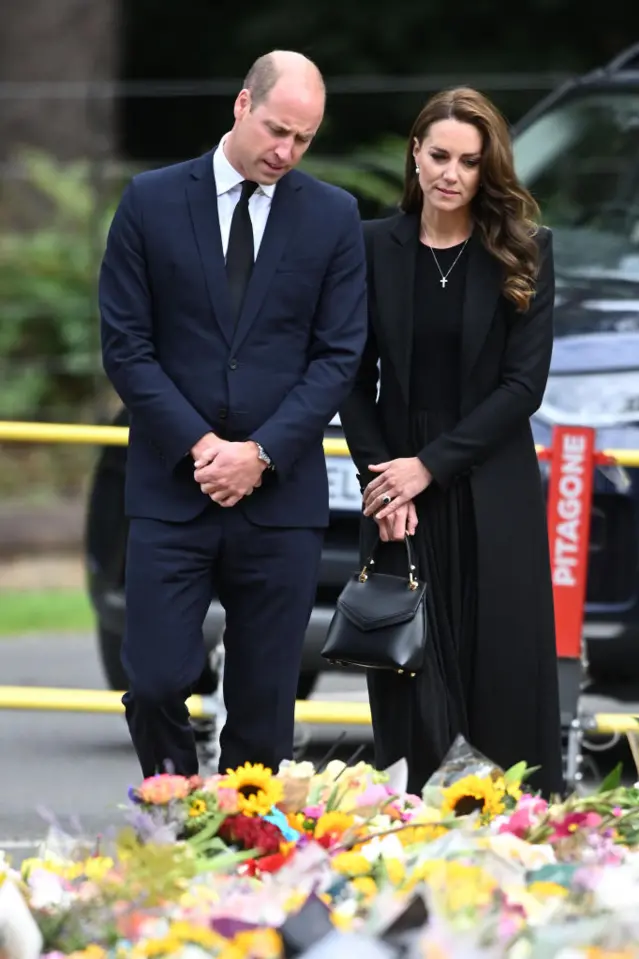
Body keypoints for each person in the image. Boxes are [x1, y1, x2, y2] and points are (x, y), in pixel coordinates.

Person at [98, 50, 367, 780]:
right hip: (170, 490)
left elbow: (338, 357)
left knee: (265, 706)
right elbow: (126, 347)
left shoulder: (334, 216)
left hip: (280, 498)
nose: (286, 151)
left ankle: (247, 855)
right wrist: (201, 446)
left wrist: (261, 453)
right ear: (242, 106)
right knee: (154, 680)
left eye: (303, 139)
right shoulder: (149, 200)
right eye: (278, 129)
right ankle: (181, 813)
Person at [339, 87, 564, 798]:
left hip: (492, 487)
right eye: (439, 155)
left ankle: (514, 849)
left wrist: (427, 466)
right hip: (398, 496)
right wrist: (386, 482)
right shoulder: (372, 245)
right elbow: (350, 377)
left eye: (470, 161)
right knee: (413, 686)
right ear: (415, 152)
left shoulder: (524, 250)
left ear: (486, 168)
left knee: (501, 680)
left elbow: (522, 387)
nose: (451, 173)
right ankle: (421, 842)